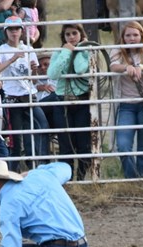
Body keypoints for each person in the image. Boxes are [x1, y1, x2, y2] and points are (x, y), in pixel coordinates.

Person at [0, 15, 49, 172]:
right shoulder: (0, 50)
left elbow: (33, 80)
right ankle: (12, 172)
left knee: (41, 126)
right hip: (12, 99)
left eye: (17, 29)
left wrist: (34, 71)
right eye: (11, 29)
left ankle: (39, 166)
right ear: (5, 32)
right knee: (16, 139)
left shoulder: (29, 49)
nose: (14, 32)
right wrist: (11, 60)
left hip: (29, 97)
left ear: (21, 31)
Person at [109, 21, 143, 179]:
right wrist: (126, 67)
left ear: (142, 36)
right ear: (123, 38)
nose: (132, 38)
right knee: (123, 145)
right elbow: (113, 66)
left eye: (136, 35)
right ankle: (131, 179)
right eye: (128, 35)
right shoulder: (117, 51)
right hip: (126, 105)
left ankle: (142, 181)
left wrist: (140, 67)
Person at [47, 23, 93, 181]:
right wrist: (66, 52)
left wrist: (78, 50)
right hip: (62, 100)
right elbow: (52, 74)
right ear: (64, 37)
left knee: (83, 143)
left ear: (81, 35)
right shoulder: (59, 53)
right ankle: (67, 179)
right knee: (65, 144)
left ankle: (81, 179)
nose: (71, 37)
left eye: (74, 33)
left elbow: (80, 69)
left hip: (82, 101)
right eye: (68, 34)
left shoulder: (87, 52)